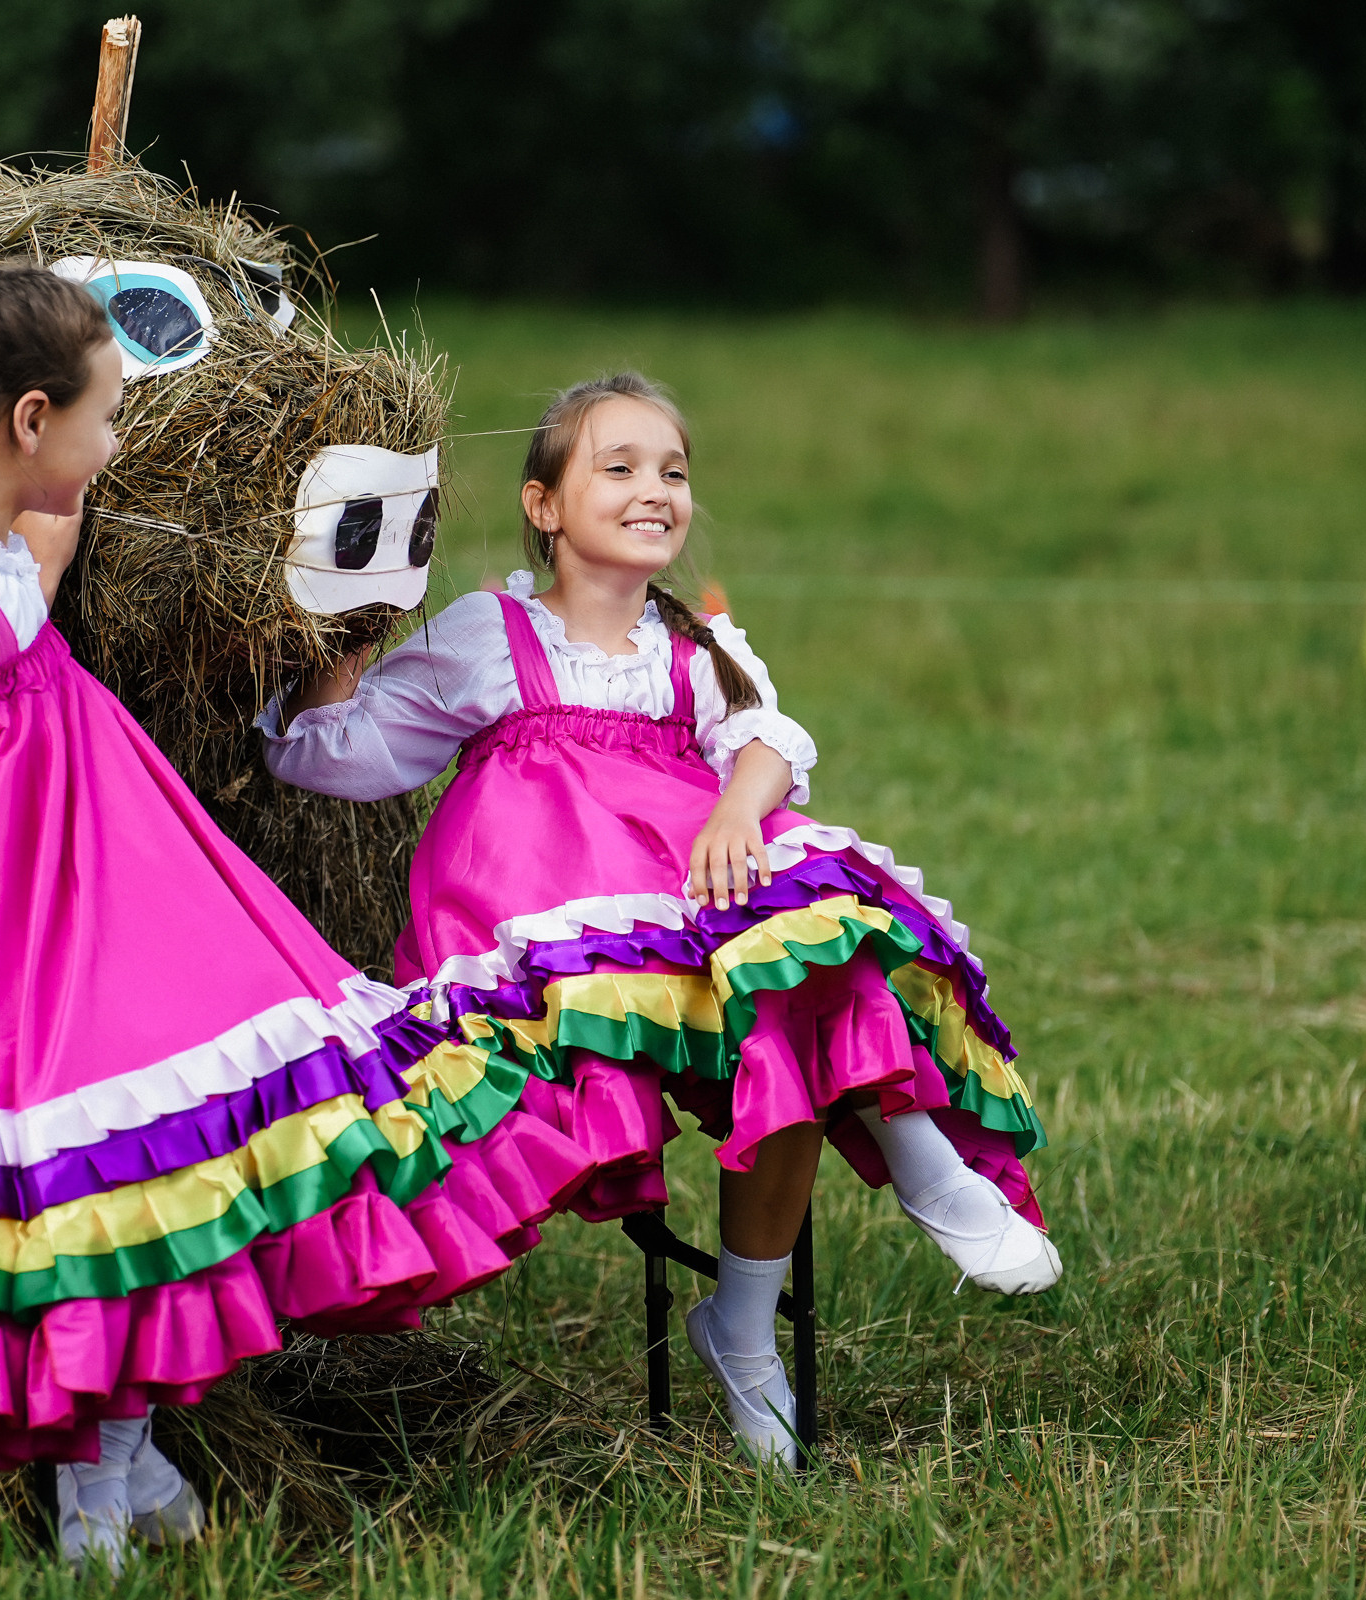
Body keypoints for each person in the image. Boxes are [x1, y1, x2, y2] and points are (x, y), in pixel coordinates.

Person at [0, 265, 590, 1566]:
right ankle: (88, 1491)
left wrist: (42, 540)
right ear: (26, 422)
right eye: (104, 417)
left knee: (176, 1158)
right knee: (95, 1192)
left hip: (108, 890)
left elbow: (15, 594)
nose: (114, 446)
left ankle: (121, 1449)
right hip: (12, 943)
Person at [260, 372, 1059, 1469]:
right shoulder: (492, 635)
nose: (656, 490)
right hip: (543, 915)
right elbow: (337, 755)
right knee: (780, 967)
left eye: (673, 472)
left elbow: (770, 740)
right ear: (544, 505)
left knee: (803, 966)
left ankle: (755, 1312)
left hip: (687, 900)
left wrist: (736, 805)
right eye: (620, 467)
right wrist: (333, 652)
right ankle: (917, 1172)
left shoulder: (697, 649)